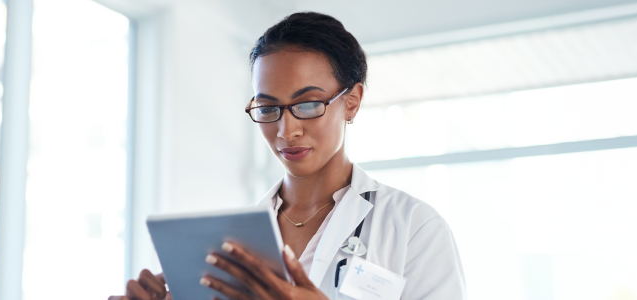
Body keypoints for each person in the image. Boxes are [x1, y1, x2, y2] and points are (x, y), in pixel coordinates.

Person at [115, 12, 466, 300]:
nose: (286, 130)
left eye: (308, 104)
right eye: (268, 108)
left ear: (352, 101)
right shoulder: (231, 242)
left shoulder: (412, 228)